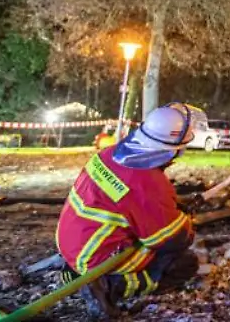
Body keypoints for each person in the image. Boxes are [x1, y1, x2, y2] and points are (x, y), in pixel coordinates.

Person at [55, 102, 204, 319]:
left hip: (71, 243)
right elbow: (171, 240)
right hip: (97, 257)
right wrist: (185, 221)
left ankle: (76, 273)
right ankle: (109, 285)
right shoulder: (147, 183)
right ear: (175, 150)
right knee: (184, 264)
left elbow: (125, 202)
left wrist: (170, 207)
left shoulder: (109, 154)